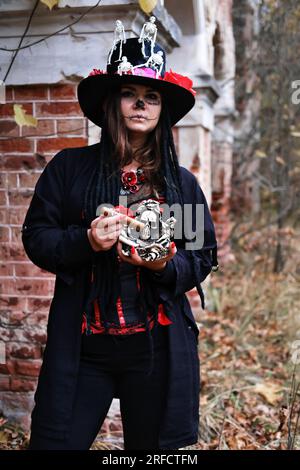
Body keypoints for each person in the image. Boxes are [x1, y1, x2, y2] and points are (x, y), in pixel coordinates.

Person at [22, 18, 218, 451]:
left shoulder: (178, 184)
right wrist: (85, 242)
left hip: (154, 348)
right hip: (83, 346)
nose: (141, 105)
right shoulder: (70, 170)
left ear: (162, 109)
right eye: (129, 93)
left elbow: (200, 255)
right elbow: (37, 237)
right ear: (113, 102)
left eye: (151, 97)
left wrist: (166, 264)